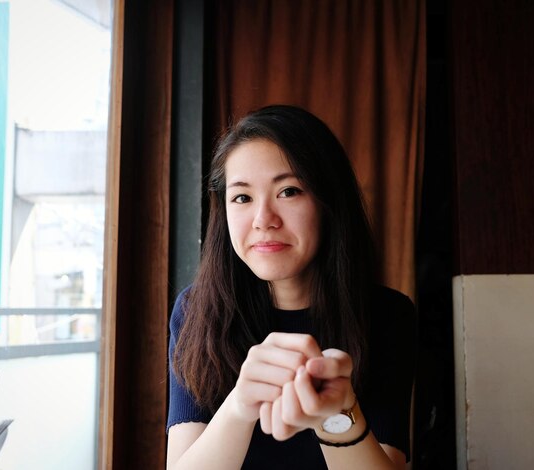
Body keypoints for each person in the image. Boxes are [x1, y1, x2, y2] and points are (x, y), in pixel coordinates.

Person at [166, 105, 416, 469]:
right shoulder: (196, 311)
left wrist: (335, 413)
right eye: (242, 197)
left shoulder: (387, 315)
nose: (264, 219)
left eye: (289, 191)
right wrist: (240, 405)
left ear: (328, 202)